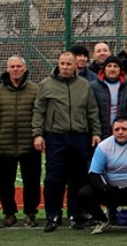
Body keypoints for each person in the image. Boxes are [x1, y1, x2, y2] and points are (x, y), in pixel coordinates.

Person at [32, 51, 101, 233]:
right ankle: (53, 215)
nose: (65, 67)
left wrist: (96, 132)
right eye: (62, 63)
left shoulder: (84, 85)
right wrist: (37, 134)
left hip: (79, 137)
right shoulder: (46, 84)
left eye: (68, 64)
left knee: (78, 178)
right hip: (55, 137)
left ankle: (75, 215)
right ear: (58, 63)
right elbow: (39, 111)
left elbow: (92, 111)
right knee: (53, 179)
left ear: (75, 65)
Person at [0, 55, 42, 228]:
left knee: (32, 182)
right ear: (7, 69)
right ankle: (9, 214)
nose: (16, 69)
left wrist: (36, 135)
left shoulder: (35, 90)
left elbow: (40, 113)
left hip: (29, 145)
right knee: (5, 183)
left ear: (24, 68)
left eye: (19, 66)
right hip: (5, 146)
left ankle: (30, 214)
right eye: (12, 67)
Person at [78, 118, 127, 235]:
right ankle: (103, 221)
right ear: (112, 131)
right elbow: (93, 174)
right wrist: (106, 188)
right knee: (85, 193)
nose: (120, 132)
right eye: (116, 129)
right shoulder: (103, 146)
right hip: (111, 191)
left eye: (124, 129)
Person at [91, 54, 127, 136]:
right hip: (101, 132)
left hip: (121, 132)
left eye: (115, 66)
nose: (112, 69)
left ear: (120, 70)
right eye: (109, 66)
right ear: (104, 69)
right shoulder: (93, 87)